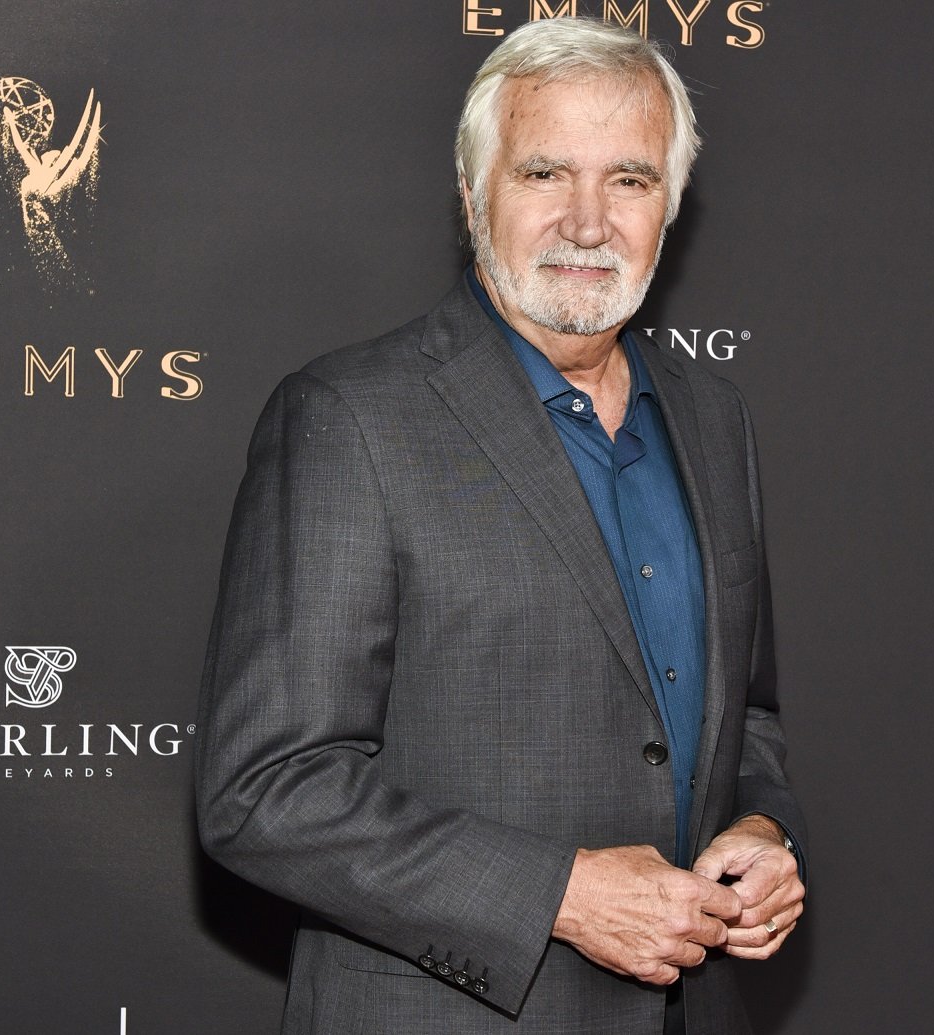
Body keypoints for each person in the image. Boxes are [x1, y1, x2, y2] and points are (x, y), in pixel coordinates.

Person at [196, 16, 806, 1034]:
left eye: (630, 179)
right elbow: (265, 790)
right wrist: (560, 895)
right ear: (474, 192)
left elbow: (750, 714)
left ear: (672, 203)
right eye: (543, 174)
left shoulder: (712, 418)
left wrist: (760, 825)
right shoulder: (354, 417)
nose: (586, 221)